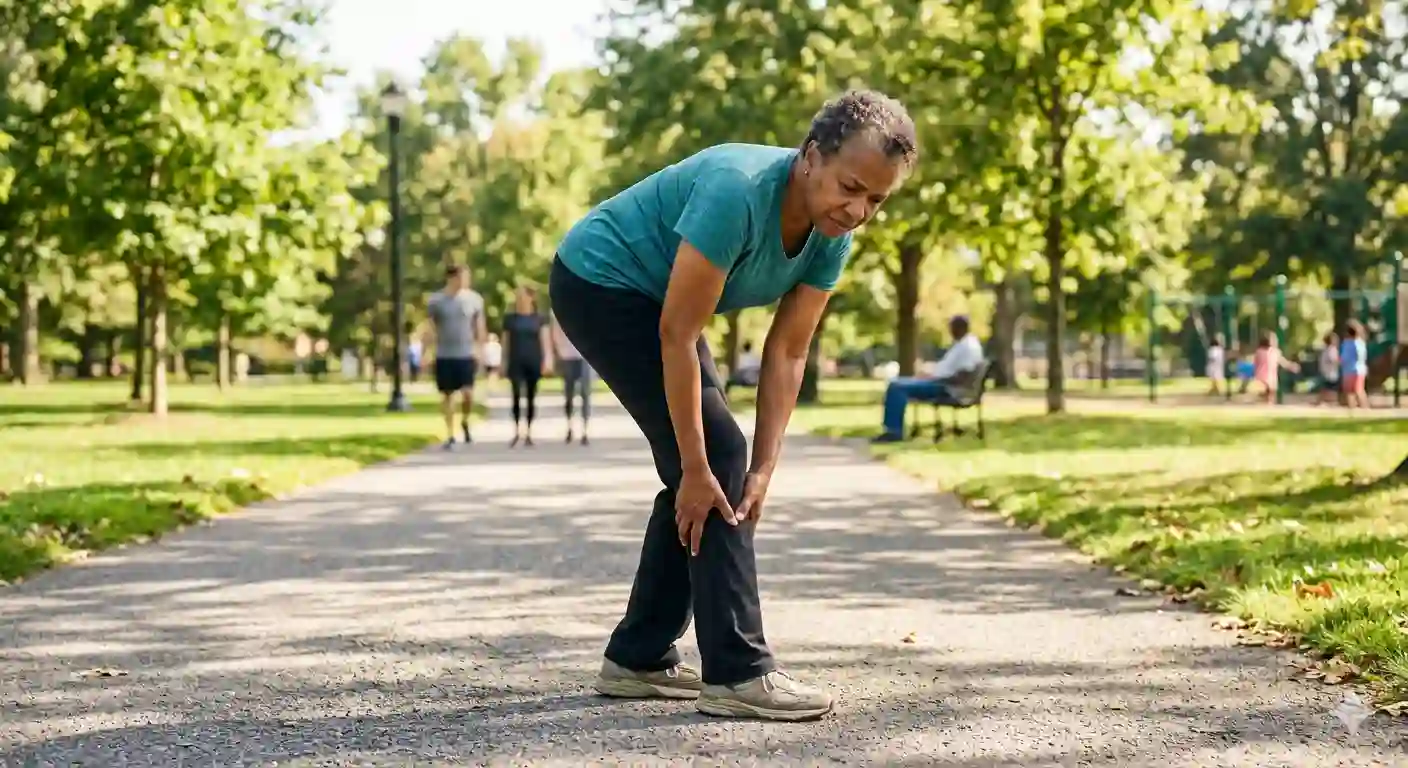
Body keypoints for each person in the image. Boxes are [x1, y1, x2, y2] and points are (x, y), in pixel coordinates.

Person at [549, 89, 918, 721]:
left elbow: (789, 352)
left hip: (663, 304)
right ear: (810, 157)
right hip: (601, 281)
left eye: (876, 200)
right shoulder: (737, 190)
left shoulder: (833, 233)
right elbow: (677, 334)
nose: (858, 210)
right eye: (851, 188)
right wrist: (696, 465)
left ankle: (639, 655)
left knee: (718, 464)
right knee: (711, 455)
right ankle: (738, 671)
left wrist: (765, 469)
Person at [871, 315, 985, 443]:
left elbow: (963, 375)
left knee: (896, 387)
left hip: (947, 388)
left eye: (952, 328)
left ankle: (894, 432)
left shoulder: (968, 346)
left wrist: (937, 379)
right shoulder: (962, 344)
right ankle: (892, 430)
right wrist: (930, 373)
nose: (950, 331)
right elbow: (950, 369)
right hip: (941, 382)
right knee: (896, 383)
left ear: (961, 327)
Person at [425, 264, 487, 449]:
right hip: (444, 353)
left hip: (466, 353)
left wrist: (480, 349)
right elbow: (430, 327)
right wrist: (426, 351)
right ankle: (450, 434)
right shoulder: (436, 301)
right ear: (451, 278)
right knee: (447, 395)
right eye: (461, 277)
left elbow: (480, 327)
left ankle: (465, 421)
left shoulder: (474, 300)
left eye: (466, 277)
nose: (464, 281)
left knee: (468, 393)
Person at [502, 286, 552, 446]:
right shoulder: (510, 319)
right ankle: (517, 430)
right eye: (518, 297)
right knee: (516, 395)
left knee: (531, 396)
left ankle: (529, 431)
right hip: (515, 360)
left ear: (531, 298)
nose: (520, 300)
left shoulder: (539, 318)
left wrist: (547, 360)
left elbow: (545, 341)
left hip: (533, 360)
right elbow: (505, 342)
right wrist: (503, 362)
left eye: (523, 296)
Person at [551, 311, 593, 445]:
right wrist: (560, 350)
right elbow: (555, 330)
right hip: (568, 356)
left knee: (585, 393)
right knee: (569, 394)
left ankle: (585, 431)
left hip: (585, 358)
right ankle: (569, 426)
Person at [1252, 331, 1298, 404]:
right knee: (1269, 399)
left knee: (1265, 399)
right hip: (1270, 380)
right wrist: (1292, 366)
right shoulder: (1274, 352)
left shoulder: (1259, 351)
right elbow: (1283, 363)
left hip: (1262, 379)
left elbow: (1255, 364)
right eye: (1274, 339)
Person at [1341, 320, 1369, 408]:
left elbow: (1345, 358)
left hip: (1349, 370)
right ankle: (1365, 406)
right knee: (1360, 390)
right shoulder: (1361, 343)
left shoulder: (1347, 344)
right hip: (1361, 369)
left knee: (1350, 391)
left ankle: (1352, 407)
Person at [1315, 331, 1340, 406]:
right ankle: (1331, 402)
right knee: (1331, 388)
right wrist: (1341, 361)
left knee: (1325, 388)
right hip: (1330, 373)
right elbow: (1333, 360)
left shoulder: (1325, 349)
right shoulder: (1332, 349)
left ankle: (1320, 401)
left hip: (1326, 372)